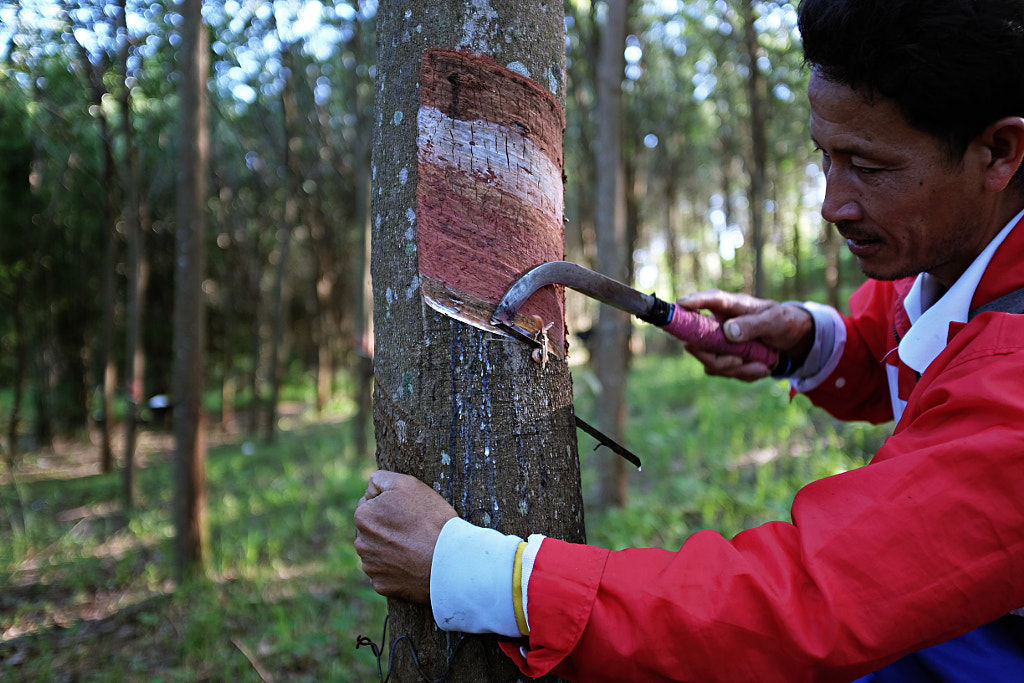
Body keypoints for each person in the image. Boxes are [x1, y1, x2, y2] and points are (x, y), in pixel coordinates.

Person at [354, 0, 1024, 680]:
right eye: (826, 156)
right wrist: (815, 343)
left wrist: (473, 570)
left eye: (869, 167)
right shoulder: (962, 250)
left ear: (998, 151)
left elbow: (799, 605)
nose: (832, 203)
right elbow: (917, 341)